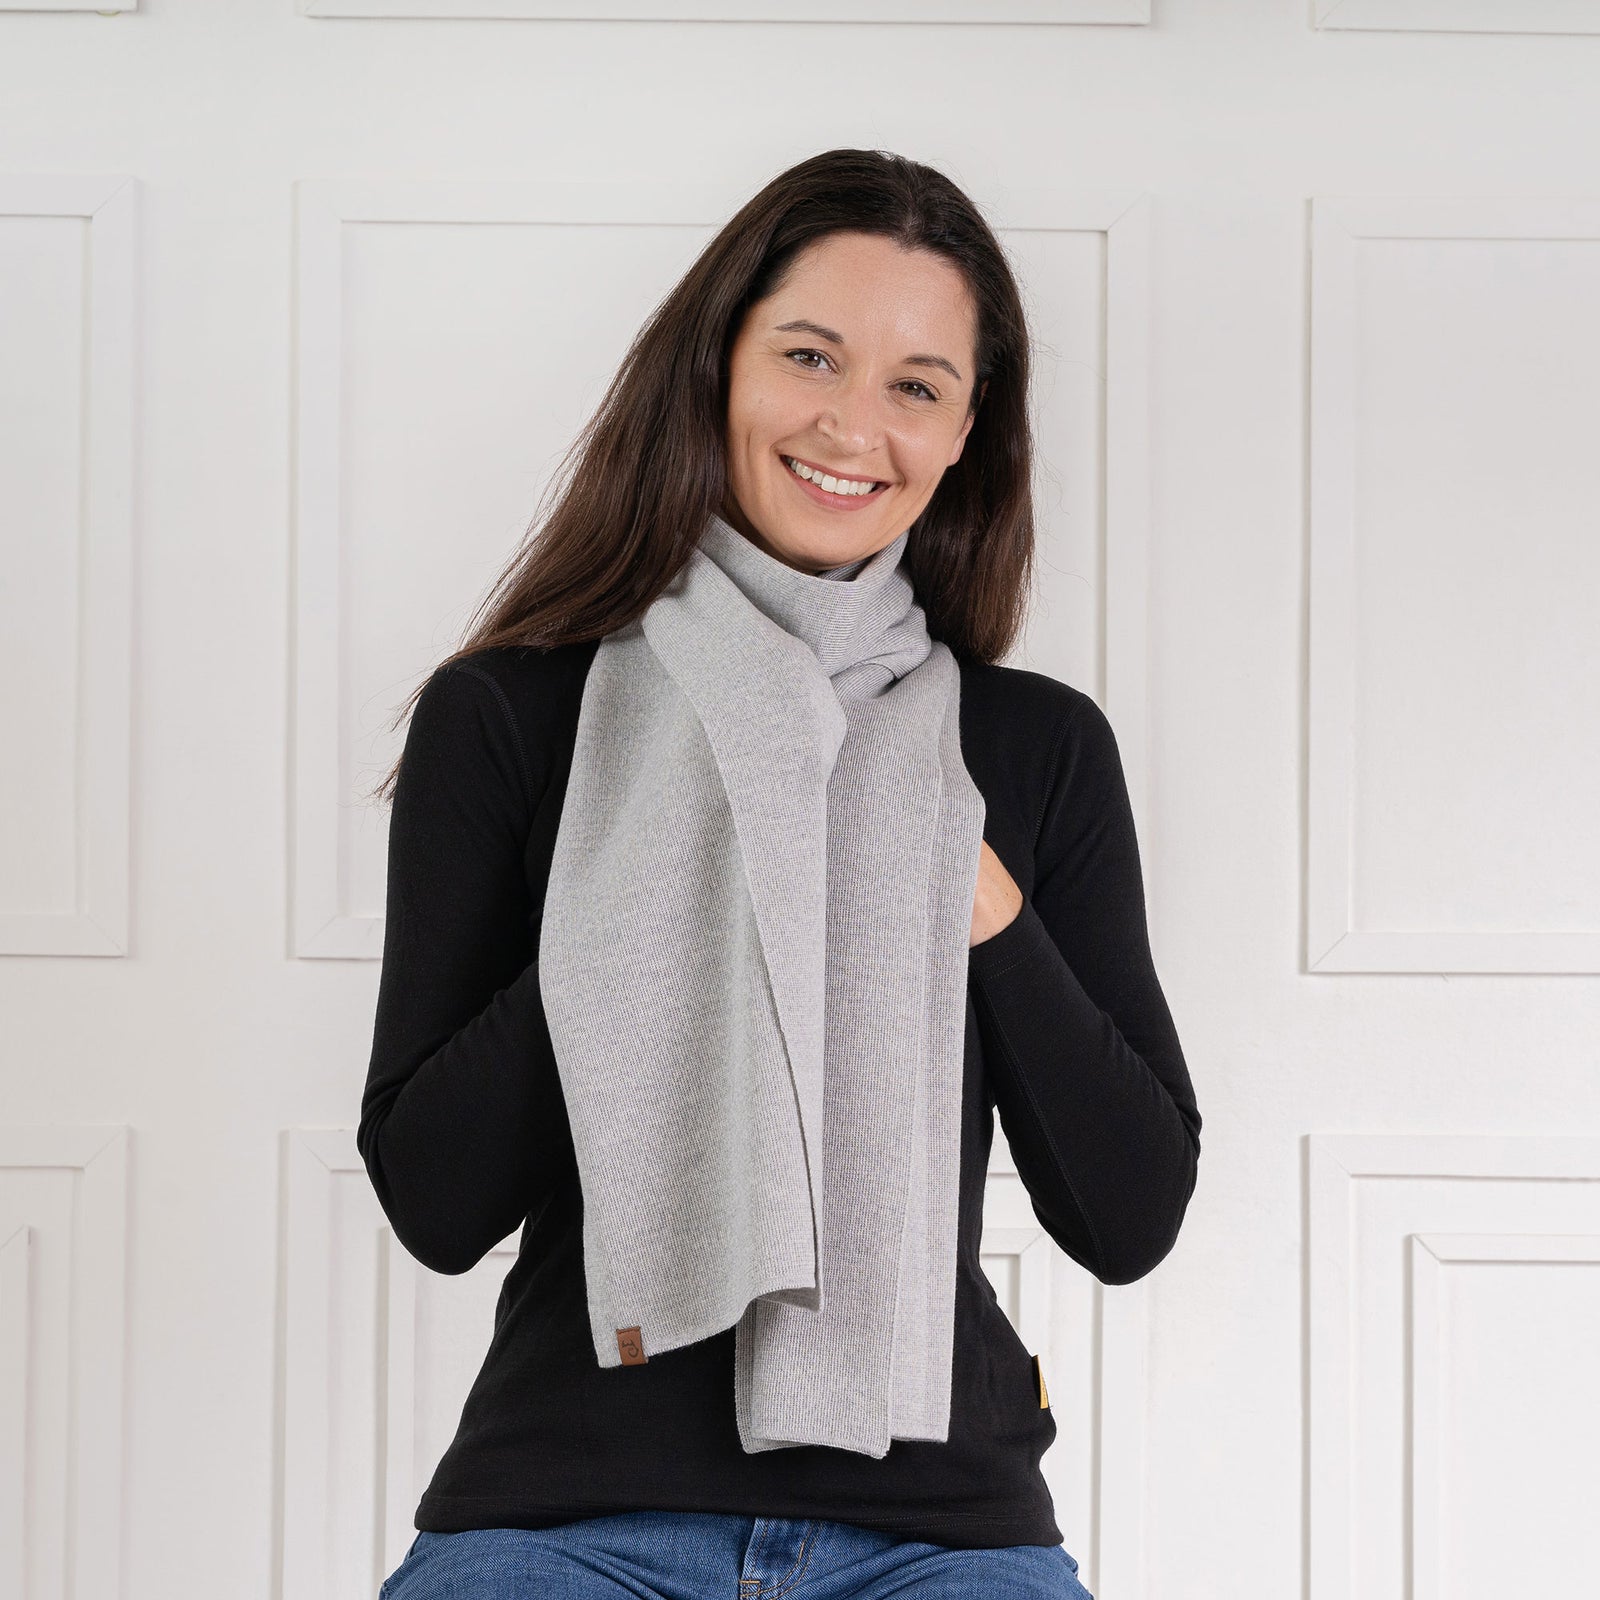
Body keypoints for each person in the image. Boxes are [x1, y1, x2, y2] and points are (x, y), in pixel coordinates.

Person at [358, 146, 1201, 1600]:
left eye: (916, 385)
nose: (853, 424)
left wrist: (974, 893)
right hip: (566, 1515)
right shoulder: (514, 715)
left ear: (964, 433)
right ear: (718, 367)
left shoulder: (1032, 749)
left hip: (939, 1533)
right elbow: (437, 1202)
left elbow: (1128, 1217)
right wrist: (670, 858)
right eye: (811, 355)